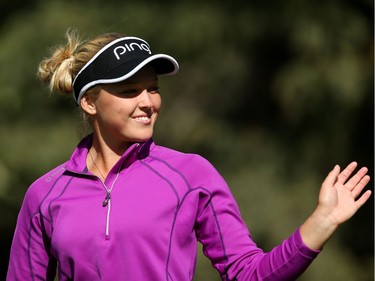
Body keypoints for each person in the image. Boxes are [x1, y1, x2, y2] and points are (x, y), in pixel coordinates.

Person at [6, 29, 371, 281]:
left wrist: (321, 222)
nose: (148, 102)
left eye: (154, 88)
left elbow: (248, 273)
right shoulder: (45, 194)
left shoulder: (191, 175)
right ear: (89, 102)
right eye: (131, 90)